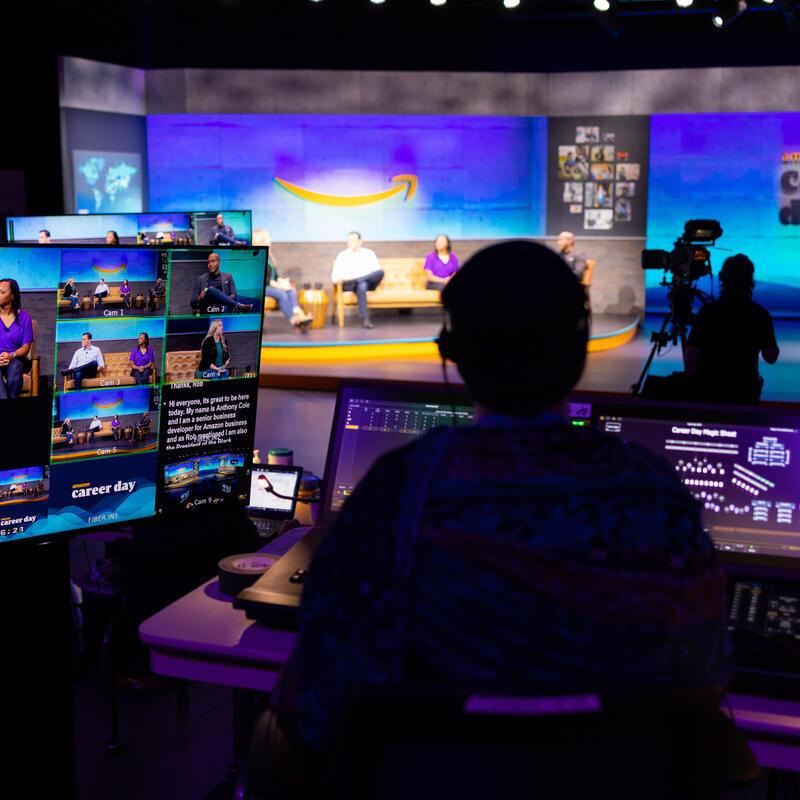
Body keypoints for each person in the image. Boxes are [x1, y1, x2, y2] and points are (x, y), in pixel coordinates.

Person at [263, 241, 729, 774]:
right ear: (577, 350)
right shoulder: (655, 495)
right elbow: (705, 681)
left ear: (453, 351)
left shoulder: (397, 493)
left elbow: (318, 701)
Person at [685, 254, 779, 405]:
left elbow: (691, 358)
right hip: (744, 394)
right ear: (750, 281)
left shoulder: (707, 312)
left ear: (722, 278)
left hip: (707, 392)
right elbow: (771, 357)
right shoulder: (760, 314)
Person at [331, 232, 384, 329]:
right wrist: (339, 279)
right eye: (349, 240)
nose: (351, 242)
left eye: (353, 240)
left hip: (369, 283)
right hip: (349, 285)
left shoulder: (369, 253)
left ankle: (359, 280)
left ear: (360, 242)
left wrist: (362, 278)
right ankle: (365, 319)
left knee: (380, 272)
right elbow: (334, 277)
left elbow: (377, 271)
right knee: (362, 285)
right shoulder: (342, 256)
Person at [263, 231, 312, 327]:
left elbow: (275, 276)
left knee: (291, 289)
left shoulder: (269, 256)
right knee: (282, 293)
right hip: (263, 287)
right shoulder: (261, 254)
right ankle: (294, 320)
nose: (270, 239)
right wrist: (281, 286)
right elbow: (266, 280)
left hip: (271, 286)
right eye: (268, 237)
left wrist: (283, 281)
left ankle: (299, 314)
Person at [0, 278, 35, 400]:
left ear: (12, 296)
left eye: (2, 292)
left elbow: (26, 347)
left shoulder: (24, 317)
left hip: (15, 358)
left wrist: (11, 355)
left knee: (15, 367)